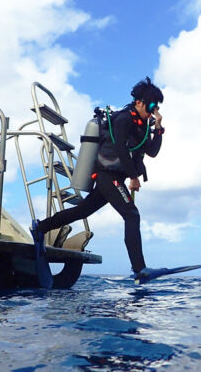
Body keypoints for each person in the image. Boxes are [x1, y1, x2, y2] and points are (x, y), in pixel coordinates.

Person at [31, 77, 166, 281]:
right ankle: (139, 269)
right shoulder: (124, 119)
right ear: (139, 102)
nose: (152, 111)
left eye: (156, 107)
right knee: (131, 215)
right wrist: (133, 177)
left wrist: (158, 128)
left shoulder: (143, 125)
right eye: (151, 106)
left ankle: (40, 228)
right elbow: (120, 148)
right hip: (108, 176)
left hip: (115, 178)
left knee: (82, 211)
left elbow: (153, 151)